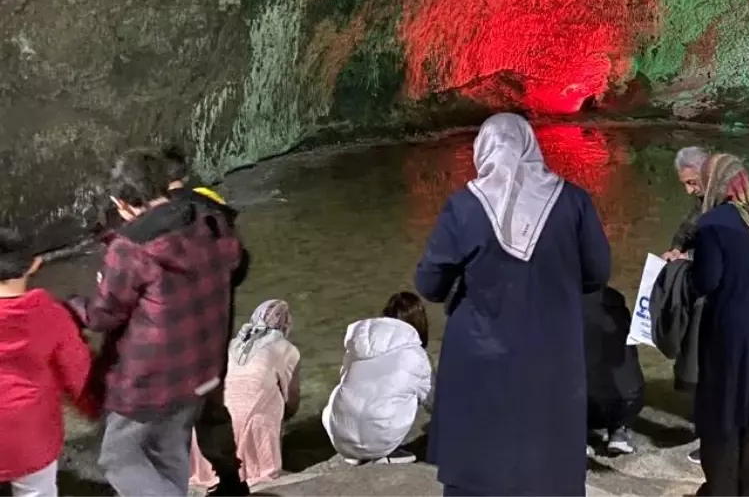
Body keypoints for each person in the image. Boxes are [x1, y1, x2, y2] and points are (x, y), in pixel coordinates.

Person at [415, 113, 611, 497]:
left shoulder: (464, 207)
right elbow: (597, 272)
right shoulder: (573, 202)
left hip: (479, 358)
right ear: (529, 147)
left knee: (478, 465)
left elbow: (430, 284)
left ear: (483, 150)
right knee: (548, 462)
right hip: (553, 354)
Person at [68, 149, 243, 497]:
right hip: (203, 368)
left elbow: (104, 314)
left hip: (151, 380)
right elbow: (236, 264)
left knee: (118, 458)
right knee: (169, 452)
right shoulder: (209, 219)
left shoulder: (131, 246)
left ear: (122, 203)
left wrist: (69, 306)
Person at [690, 154, 749, 497]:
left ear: (715, 182)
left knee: (723, 414)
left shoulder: (713, 223)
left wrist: (685, 266)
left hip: (732, 333)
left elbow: (706, 280)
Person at [163, 146, 251, 497]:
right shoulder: (214, 208)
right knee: (212, 408)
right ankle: (230, 480)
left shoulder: (161, 217)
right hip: (213, 330)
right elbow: (240, 265)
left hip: (175, 333)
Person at [0, 230, 98, 497]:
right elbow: (77, 370)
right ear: (34, 264)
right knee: (36, 491)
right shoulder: (48, 314)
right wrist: (93, 406)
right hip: (30, 431)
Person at [189, 300, 301, 489]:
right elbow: (292, 400)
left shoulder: (231, 344)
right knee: (274, 397)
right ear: (286, 325)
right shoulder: (287, 349)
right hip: (251, 428)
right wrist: (283, 417)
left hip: (211, 429)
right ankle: (259, 459)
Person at [323, 292, 433, 465]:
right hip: (380, 442)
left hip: (341, 441)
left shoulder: (357, 345)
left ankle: (356, 447)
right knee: (413, 390)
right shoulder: (417, 355)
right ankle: (381, 449)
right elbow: (433, 402)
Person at [585, 286, 645, 456]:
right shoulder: (618, 311)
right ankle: (619, 432)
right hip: (623, 404)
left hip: (578, 407)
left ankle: (574, 437)